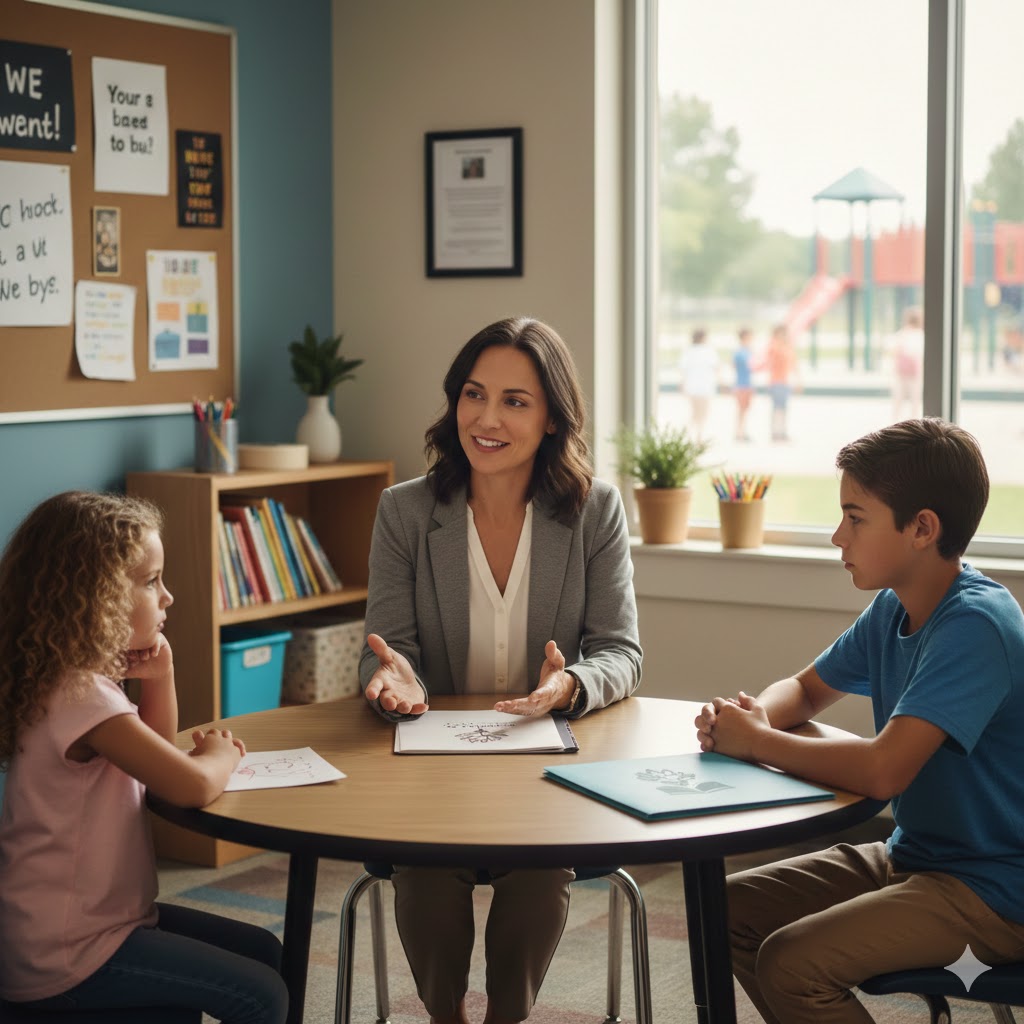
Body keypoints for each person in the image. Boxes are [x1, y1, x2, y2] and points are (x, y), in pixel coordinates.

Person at [694, 418, 1024, 1024]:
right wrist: (758, 714)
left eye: (855, 517)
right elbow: (804, 688)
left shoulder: (977, 625)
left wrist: (757, 743)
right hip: (916, 857)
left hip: (996, 891)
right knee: (717, 911)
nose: (836, 537)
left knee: (790, 964)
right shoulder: (893, 607)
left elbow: (883, 771)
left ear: (922, 528)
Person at [360, 316, 642, 1024]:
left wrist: (569, 685)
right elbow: (395, 650)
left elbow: (620, 651)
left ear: (552, 418)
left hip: (546, 770)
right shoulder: (405, 512)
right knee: (423, 876)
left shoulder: (594, 512)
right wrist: (400, 683)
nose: (486, 419)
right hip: (435, 773)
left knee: (541, 877)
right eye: (473, 395)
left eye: (515, 401)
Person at [0, 491, 288, 1024]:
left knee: (266, 953)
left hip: (95, 925)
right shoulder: (83, 697)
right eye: (152, 581)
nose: (168, 597)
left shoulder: (69, 684)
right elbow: (187, 785)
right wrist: (221, 755)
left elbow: (156, 763)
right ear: (97, 595)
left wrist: (161, 676)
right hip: (71, 951)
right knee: (261, 994)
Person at [760, 323, 800, 442]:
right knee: (777, 408)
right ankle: (775, 432)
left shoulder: (787, 347)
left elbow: (794, 364)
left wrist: (798, 380)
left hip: (784, 382)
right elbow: (769, 361)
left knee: (783, 409)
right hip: (776, 382)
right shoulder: (774, 347)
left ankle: (782, 431)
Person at [679, 327, 719, 443]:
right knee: (702, 414)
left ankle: (688, 434)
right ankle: (698, 436)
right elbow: (716, 368)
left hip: (692, 387)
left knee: (694, 413)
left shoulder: (688, 351)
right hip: (705, 386)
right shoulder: (709, 351)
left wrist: (682, 385)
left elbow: (683, 370)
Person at [887, 306, 924, 420]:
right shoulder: (920, 334)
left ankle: (895, 419)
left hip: (901, 371)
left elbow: (892, 348)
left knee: (898, 397)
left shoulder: (902, 333)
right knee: (915, 398)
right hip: (915, 371)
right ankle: (914, 420)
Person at [732, 326, 755, 441]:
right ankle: (739, 432)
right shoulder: (743, 352)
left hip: (745, 384)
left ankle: (741, 431)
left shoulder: (743, 351)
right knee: (742, 410)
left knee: (744, 410)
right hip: (742, 386)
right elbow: (752, 366)